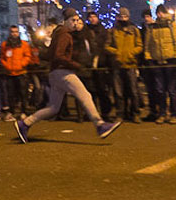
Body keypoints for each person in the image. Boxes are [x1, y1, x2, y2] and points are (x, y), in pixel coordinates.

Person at [15, 7, 122, 142]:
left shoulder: (58, 33)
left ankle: (25, 124)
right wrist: (76, 65)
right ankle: (100, 125)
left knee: (53, 108)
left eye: (77, 20)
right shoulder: (65, 35)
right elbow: (59, 55)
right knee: (85, 95)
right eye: (73, 20)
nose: (75, 23)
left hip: (55, 73)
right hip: (63, 72)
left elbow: (50, 54)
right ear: (66, 21)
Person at [144, 3, 176, 123]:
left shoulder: (171, 25)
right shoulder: (152, 27)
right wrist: (149, 59)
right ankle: (162, 113)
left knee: (171, 90)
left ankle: (174, 114)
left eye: (162, 12)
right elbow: (148, 46)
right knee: (160, 90)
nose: (160, 15)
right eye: (158, 12)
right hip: (157, 62)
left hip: (170, 61)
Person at [107, 7, 143, 123]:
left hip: (130, 64)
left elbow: (140, 46)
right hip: (117, 65)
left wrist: (131, 53)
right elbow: (107, 46)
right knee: (118, 92)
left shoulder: (134, 30)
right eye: (121, 16)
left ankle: (135, 113)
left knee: (133, 91)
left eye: (125, 16)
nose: (123, 19)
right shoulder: (112, 31)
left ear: (129, 17)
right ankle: (120, 114)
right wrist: (116, 52)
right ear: (117, 17)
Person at [81, 11, 115, 121]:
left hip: (101, 63)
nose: (92, 19)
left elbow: (106, 45)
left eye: (94, 16)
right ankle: (92, 112)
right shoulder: (85, 31)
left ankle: (106, 112)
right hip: (89, 63)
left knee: (102, 89)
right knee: (90, 90)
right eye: (90, 17)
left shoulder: (103, 31)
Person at [0, 24, 34, 120]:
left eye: (16, 32)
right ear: (9, 33)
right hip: (9, 73)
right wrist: (7, 65)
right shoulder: (5, 45)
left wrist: (21, 64)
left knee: (23, 94)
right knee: (11, 94)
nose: (14, 34)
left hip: (21, 72)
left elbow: (28, 56)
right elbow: (2, 57)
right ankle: (11, 112)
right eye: (12, 32)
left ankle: (24, 112)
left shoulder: (24, 44)